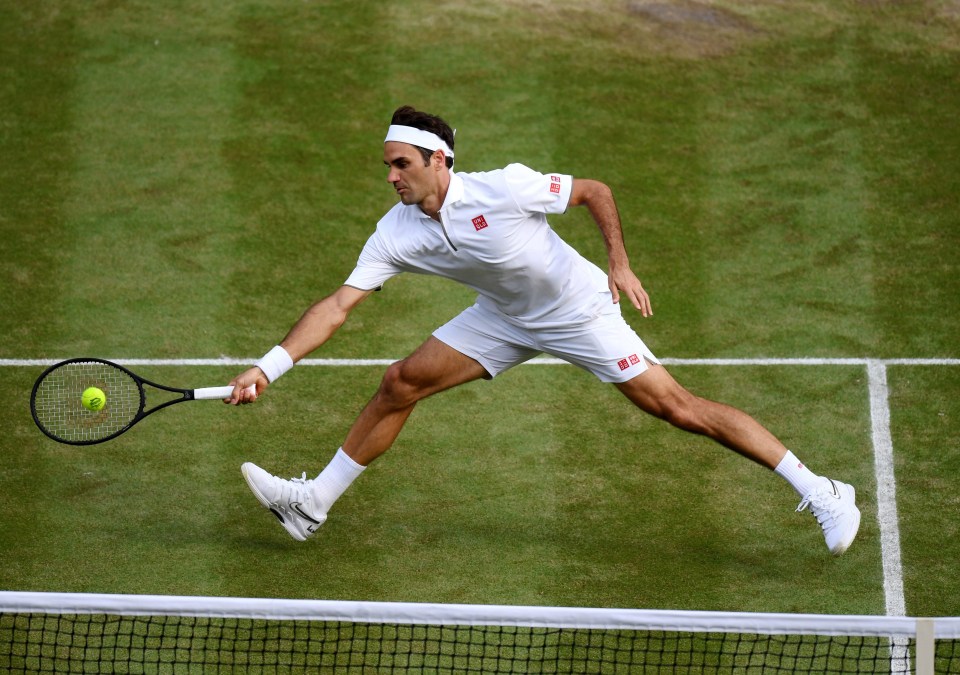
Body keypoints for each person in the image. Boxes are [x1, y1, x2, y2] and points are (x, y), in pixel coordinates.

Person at [228, 105, 860, 555]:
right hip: (503, 318)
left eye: (401, 164)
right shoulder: (395, 231)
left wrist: (618, 261)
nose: (391, 176)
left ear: (438, 159)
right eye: (387, 166)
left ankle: (823, 491)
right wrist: (267, 366)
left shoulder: (504, 188)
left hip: (579, 311)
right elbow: (338, 305)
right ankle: (312, 505)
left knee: (677, 408)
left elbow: (595, 191)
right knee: (401, 382)